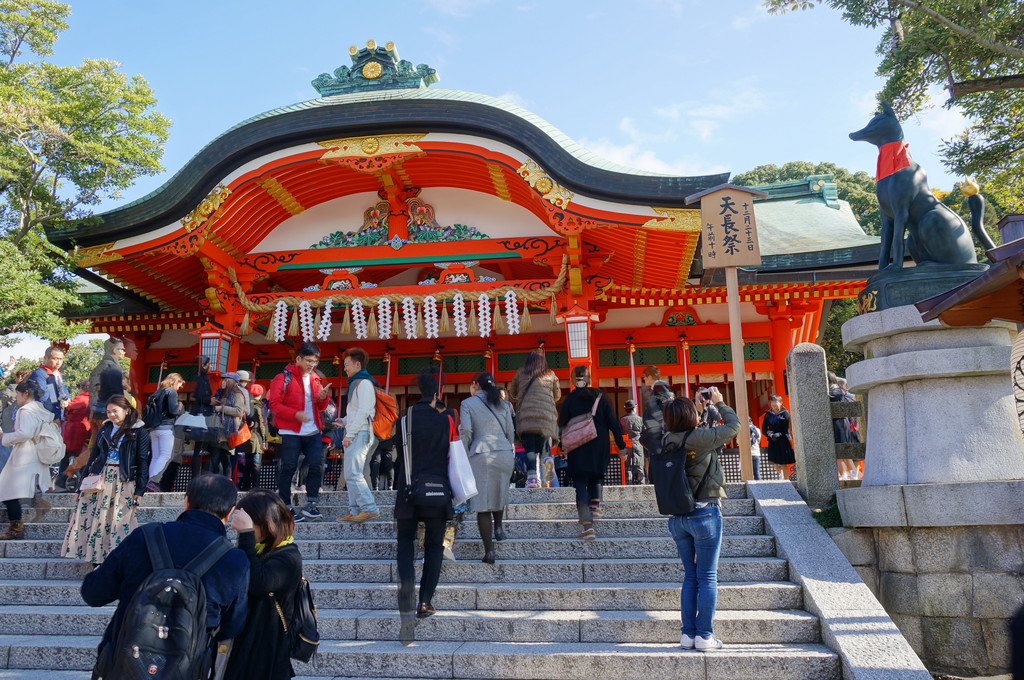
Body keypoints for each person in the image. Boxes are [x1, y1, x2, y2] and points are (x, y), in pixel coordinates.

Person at [80, 474, 248, 678]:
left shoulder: (144, 536)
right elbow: (232, 627)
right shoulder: (234, 559)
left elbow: (93, 593)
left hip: (122, 665)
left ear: (186, 501)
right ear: (230, 512)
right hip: (186, 670)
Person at [661, 387, 739, 652]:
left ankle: (688, 635)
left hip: (678, 518)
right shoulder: (701, 438)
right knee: (707, 576)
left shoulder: (667, 440)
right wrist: (719, 402)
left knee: (690, 576)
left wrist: (702, 411)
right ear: (690, 415)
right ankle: (705, 636)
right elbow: (733, 427)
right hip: (705, 513)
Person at [394, 369, 454, 645]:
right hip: (438, 490)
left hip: (408, 490)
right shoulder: (446, 420)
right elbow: (454, 451)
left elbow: (397, 450)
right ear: (436, 394)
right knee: (433, 546)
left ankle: (406, 592)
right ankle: (425, 601)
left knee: (406, 542)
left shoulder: (404, 420)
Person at [61, 394, 151, 564]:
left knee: (118, 521)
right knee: (94, 519)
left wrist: (140, 489)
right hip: (99, 479)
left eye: (115, 411)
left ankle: (117, 561)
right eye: (109, 412)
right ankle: (96, 560)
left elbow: (142, 462)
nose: (111, 415)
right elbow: (93, 456)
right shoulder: (105, 429)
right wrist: (80, 486)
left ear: (126, 410)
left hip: (123, 480)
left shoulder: (140, 431)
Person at [223, 489, 302, 680]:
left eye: (252, 524)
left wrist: (246, 535)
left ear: (266, 524)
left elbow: (257, 583)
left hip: (268, 649)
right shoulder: (259, 550)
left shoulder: (289, 557)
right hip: (245, 643)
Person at [557, 366, 625, 541]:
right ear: (589, 378)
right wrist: (621, 445)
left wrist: (560, 444)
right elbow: (613, 423)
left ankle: (588, 526)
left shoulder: (570, 399)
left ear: (573, 380)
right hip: (599, 445)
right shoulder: (600, 397)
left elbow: (562, 424)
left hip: (578, 446)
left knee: (580, 483)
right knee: (596, 477)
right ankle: (595, 504)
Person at [268, 342, 329, 522]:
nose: (312, 365)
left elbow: (320, 406)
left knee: (317, 466)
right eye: (309, 360)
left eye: (315, 361)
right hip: (291, 431)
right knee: (288, 468)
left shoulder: (315, 378)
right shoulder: (283, 377)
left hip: (312, 430)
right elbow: (274, 405)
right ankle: (286, 506)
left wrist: (323, 399)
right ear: (298, 359)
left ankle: (311, 504)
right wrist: (295, 414)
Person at [459, 371, 515, 564]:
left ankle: (489, 552)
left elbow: (466, 431)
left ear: (476, 384)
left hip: (481, 454)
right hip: (504, 452)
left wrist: (464, 453)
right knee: (499, 492)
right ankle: (498, 528)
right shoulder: (505, 404)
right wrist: (507, 448)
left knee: (483, 504)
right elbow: (510, 431)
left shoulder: (468, 403)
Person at [0, 380, 52, 540]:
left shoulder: (26, 410)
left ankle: (16, 528)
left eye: (17, 393)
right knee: (16, 488)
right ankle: (38, 503)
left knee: (8, 490)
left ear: (26, 393)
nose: (15, 397)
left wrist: (5, 437)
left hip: (24, 452)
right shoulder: (39, 409)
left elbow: (25, 433)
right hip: (35, 451)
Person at [336, 347, 380, 523]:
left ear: (357, 364)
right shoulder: (359, 383)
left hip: (360, 433)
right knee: (350, 474)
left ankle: (369, 508)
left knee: (353, 473)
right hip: (357, 431)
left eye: (346, 365)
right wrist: (345, 421)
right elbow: (358, 412)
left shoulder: (364, 384)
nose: (345, 368)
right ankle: (355, 511)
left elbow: (363, 412)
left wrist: (350, 433)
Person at [507, 348, 561, 488]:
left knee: (529, 449)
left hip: (527, 419)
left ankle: (531, 479)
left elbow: (512, 394)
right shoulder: (550, 374)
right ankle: (547, 466)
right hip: (546, 418)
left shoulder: (520, 373)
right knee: (545, 447)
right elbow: (557, 395)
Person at [146, 372, 184, 491]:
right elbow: (173, 410)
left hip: (154, 428)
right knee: (167, 455)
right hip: (166, 428)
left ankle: (148, 481)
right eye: (180, 385)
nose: (179, 388)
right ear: (176, 381)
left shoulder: (157, 392)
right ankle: (154, 481)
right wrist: (180, 410)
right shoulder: (171, 391)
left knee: (155, 456)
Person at [55, 378, 92, 491]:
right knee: (83, 458)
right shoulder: (91, 400)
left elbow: (68, 410)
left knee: (66, 457)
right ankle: (83, 483)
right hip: (85, 430)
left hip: (72, 432)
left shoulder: (81, 399)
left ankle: (61, 481)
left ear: (82, 388)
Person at [88, 338, 127, 444]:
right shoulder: (112, 367)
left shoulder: (100, 366)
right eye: (122, 349)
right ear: (114, 350)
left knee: (95, 445)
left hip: (95, 411)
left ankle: (82, 461)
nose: (124, 352)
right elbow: (116, 393)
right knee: (106, 444)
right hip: (106, 412)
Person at [211, 372, 246, 478]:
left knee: (226, 459)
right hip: (216, 430)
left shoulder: (237, 394)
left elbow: (239, 411)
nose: (223, 382)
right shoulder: (219, 393)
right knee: (214, 460)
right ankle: (211, 485)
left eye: (226, 380)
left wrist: (222, 408)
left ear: (232, 382)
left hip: (228, 430)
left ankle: (227, 484)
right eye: (223, 380)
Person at [0, 369, 31, 475]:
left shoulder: (30, 391)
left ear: (21, 377)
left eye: (17, 377)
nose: (15, 379)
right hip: (8, 429)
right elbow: (4, 395)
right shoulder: (12, 387)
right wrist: (17, 398)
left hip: (20, 430)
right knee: (6, 457)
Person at [238, 383, 268, 491]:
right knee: (256, 463)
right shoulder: (258, 407)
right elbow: (261, 424)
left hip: (246, 437)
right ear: (260, 394)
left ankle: (245, 485)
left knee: (248, 462)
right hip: (256, 437)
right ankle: (255, 486)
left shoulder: (246, 405)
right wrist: (264, 439)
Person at [30, 345, 69, 423]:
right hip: (47, 417)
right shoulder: (40, 374)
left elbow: (64, 391)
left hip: (58, 414)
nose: (58, 362)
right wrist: (54, 417)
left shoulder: (57, 374)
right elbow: (43, 398)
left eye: (61, 359)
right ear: (45, 358)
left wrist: (66, 398)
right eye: (55, 358)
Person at [761, 394, 795, 478]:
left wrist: (780, 434)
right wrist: (769, 433)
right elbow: (764, 428)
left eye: (775, 402)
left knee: (783, 463)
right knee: (774, 463)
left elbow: (787, 429)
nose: (773, 404)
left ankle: (787, 481)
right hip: (773, 441)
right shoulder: (768, 414)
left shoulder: (785, 413)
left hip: (783, 440)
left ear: (780, 402)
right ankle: (781, 475)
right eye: (772, 402)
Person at [641, 379, 674, 460]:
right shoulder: (670, 407)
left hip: (653, 450)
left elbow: (645, 430)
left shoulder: (648, 409)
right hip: (670, 448)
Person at [619, 399, 645, 484]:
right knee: (640, 466)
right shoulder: (640, 419)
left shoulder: (622, 420)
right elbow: (644, 433)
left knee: (628, 466)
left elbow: (619, 433)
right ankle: (642, 485)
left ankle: (628, 485)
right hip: (638, 443)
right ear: (634, 409)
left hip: (626, 444)